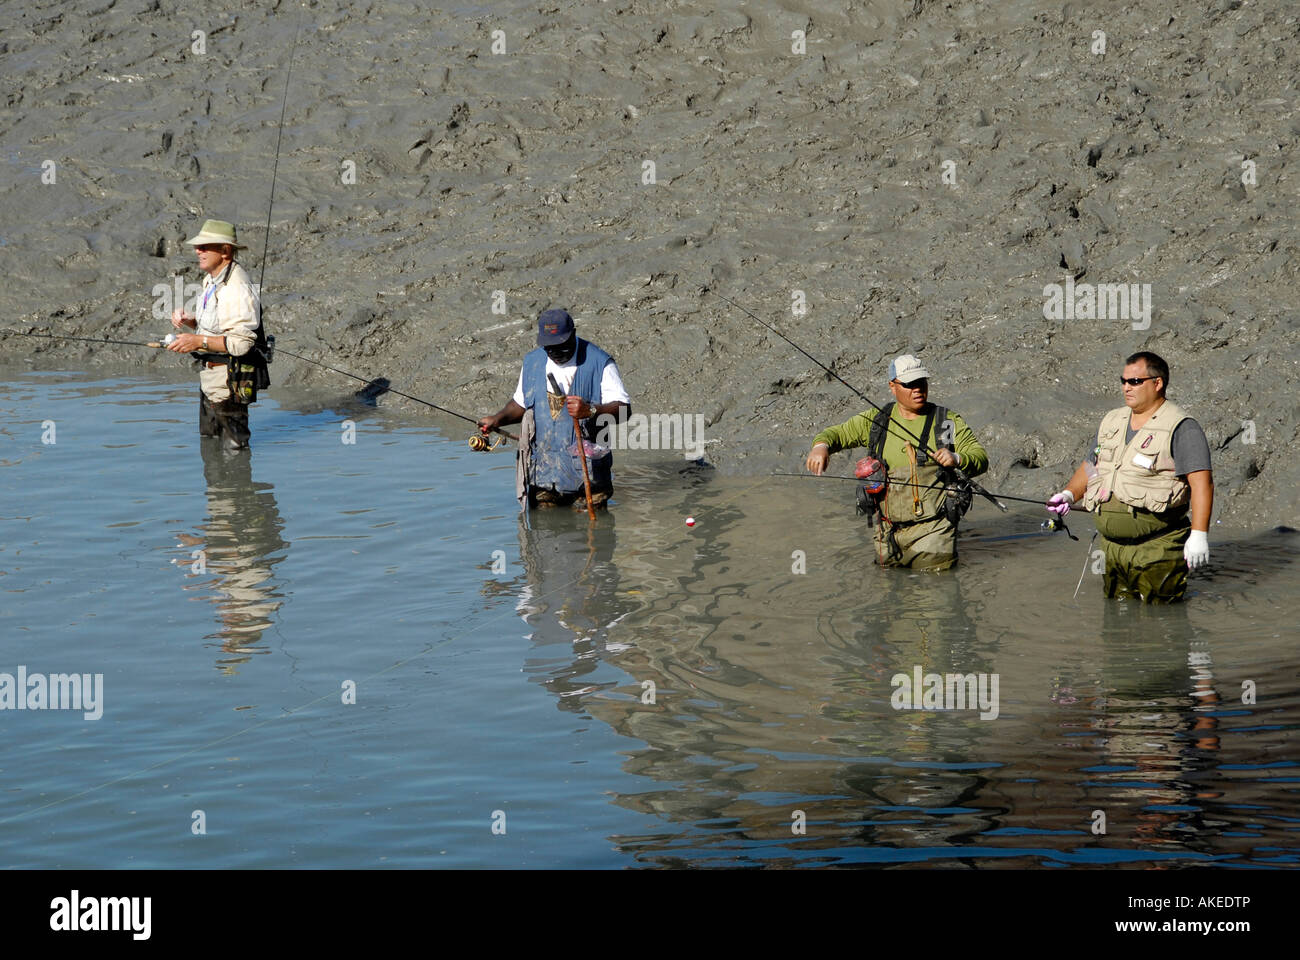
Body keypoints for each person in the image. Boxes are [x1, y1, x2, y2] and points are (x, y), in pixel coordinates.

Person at [1046, 351, 1213, 603]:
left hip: (1157, 548)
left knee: (1160, 627)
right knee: (1116, 624)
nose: (1126, 387)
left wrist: (1199, 534)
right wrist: (1069, 494)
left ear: (1157, 384)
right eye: (1123, 381)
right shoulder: (1111, 420)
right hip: (1111, 550)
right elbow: (1093, 467)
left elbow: (1201, 483)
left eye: (1135, 381)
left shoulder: (1182, 426)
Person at [805, 354, 989, 570]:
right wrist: (821, 447)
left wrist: (957, 458)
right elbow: (838, 434)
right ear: (893, 386)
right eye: (910, 384)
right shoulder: (877, 420)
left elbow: (979, 456)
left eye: (921, 383)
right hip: (886, 535)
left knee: (933, 595)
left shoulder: (945, 422)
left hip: (934, 532)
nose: (918, 389)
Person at [478, 308, 631, 508]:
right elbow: (521, 403)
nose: (555, 353)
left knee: (593, 533)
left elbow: (624, 410)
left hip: (588, 481)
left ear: (573, 335)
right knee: (543, 534)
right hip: (543, 476)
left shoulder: (599, 362)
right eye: (549, 348)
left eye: (561, 346)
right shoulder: (533, 362)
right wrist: (498, 418)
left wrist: (592, 411)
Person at [166, 219, 265, 450]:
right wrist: (190, 322)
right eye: (197, 246)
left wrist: (196, 341)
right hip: (210, 377)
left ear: (225, 251)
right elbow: (218, 325)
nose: (197, 250)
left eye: (204, 246)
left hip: (228, 380)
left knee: (234, 451)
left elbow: (241, 344)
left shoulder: (236, 286)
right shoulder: (212, 278)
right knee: (209, 444)